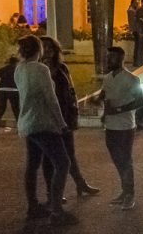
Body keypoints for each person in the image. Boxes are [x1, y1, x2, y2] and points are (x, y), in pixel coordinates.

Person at [13, 35, 77, 226]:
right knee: (63, 163)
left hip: (27, 124)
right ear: (38, 49)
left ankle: (33, 206)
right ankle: (56, 210)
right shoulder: (41, 69)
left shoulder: (19, 69)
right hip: (43, 124)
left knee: (32, 165)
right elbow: (51, 99)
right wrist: (62, 124)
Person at [38, 37, 99, 199]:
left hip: (65, 115)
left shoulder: (63, 68)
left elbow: (71, 91)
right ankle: (52, 192)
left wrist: (74, 112)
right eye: (44, 48)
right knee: (49, 157)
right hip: (48, 119)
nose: (48, 51)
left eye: (51, 48)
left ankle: (80, 183)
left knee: (70, 154)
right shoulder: (38, 70)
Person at [91, 46, 143, 210]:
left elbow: (140, 101)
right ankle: (125, 190)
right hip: (111, 126)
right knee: (117, 159)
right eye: (107, 57)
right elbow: (105, 95)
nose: (108, 60)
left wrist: (118, 110)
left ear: (121, 59)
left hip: (126, 126)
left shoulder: (132, 79)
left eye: (111, 58)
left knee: (125, 160)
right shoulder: (107, 78)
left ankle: (130, 194)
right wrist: (98, 102)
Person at [0, 55, 20, 135]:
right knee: (16, 110)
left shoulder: (3, 69)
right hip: (14, 90)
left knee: (1, 110)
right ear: (17, 62)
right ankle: (20, 128)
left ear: (9, 62)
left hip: (1, 90)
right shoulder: (18, 69)